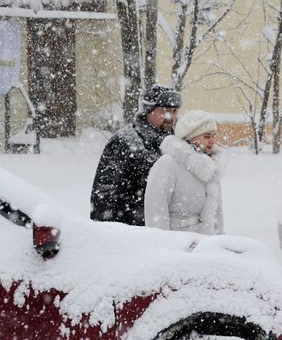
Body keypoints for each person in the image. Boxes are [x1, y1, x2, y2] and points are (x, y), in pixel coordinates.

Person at [90, 84, 181, 225]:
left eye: (175, 111)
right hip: (133, 235)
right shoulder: (124, 142)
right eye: (166, 110)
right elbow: (103, 196)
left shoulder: (176, 144)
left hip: (167, 235)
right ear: (148, 110)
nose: (172, 117)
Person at [144, 110, 224, 235]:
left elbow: (217, 214)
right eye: (207, 136)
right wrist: (162, 247)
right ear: (190, 137)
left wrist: (220, 243)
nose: (212, 141)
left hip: (205, 246)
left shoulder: (211, 167)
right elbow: (156, 211)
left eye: (214, 135)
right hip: (176, 245)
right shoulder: (168, 164)